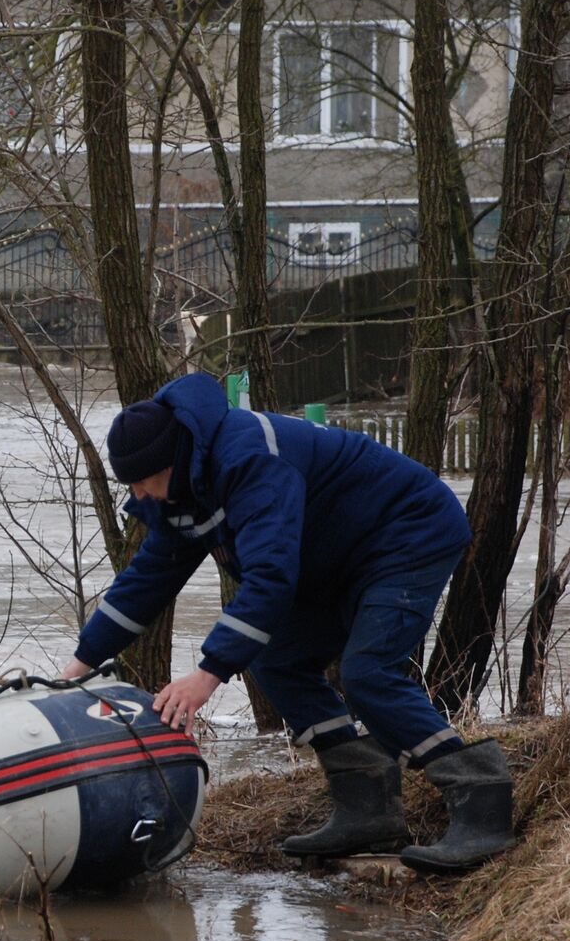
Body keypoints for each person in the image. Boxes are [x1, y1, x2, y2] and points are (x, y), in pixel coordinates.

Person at [59, 373, 518, 873]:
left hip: (407, 531)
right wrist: (75, 670)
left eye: (143, 482)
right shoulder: (181, 491)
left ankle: (483, 801)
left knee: (368, 675)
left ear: (171, 462)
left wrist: (206, 675)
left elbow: (271, 580)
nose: (140, 496)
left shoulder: (248, 459)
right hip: (337, 555)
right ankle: (368, 807)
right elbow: (146, 581)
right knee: (275, 659)